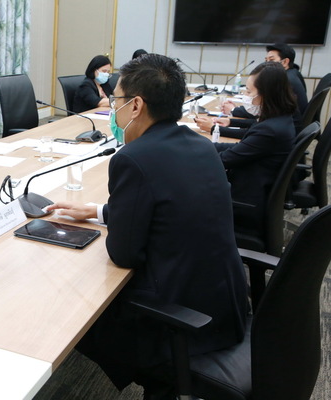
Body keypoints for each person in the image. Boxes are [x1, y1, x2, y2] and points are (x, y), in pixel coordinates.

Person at [47, 54, 248, 396]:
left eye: (117, 101)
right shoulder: (201, 145)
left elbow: (124, 254)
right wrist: (99, 211)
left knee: (70, 308)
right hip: (224, 307)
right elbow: (171, 209)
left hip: (178, 322)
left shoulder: (132, 158)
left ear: (136, 105)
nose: (114, 110)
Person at [214, 61, 297, 237]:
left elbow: (226, 159)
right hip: (253, 191)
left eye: (249, 92)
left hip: (243, 203)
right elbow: (240, 149)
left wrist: (190, 152)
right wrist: (204, 144)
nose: (245, 96)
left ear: (266, 95)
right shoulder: (278, 119)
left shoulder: (270, 130)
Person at [221, 43, 307, 118]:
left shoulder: (286, 80)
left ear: (285, 62)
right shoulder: (293, 73)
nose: (267, 64)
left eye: (271, 60)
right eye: (266, 60)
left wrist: (233, 110)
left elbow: (266, 111)